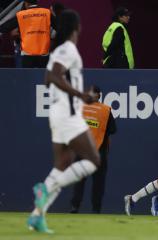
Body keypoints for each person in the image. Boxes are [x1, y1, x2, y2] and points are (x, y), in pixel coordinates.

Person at [27, 10, 100, 234]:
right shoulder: (68, 49)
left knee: (62, 165)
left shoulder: (59, 50)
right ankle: (45, 189)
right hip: (68, 115)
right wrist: (81, 96)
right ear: (76, 27)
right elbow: (53, 77)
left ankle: (37, 216)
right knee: (93, 160)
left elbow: (48, 77)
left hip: (59, 113)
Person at [70, 85, 117, 214]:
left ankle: (75, 207)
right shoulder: (105, 110)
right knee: (98, 183)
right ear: (99, 96)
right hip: (99, 151)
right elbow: (113, 130)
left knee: (79, 180)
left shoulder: (81, 108)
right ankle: (96, 209)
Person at [0, 0, 56, 68]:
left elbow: (4, 27)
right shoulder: (47, 13)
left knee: (27, 77)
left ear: (26, 3)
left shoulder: (21, 15)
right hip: (43, 53)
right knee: (42, 77)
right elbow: (58, 26)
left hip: (27, 53)